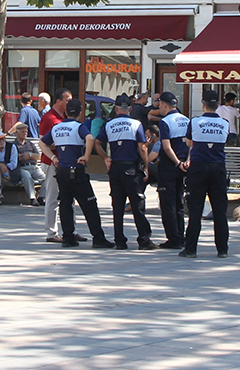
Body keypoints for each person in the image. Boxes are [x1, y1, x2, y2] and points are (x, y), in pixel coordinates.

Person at [43, 99, 112, 248]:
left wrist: (53, 157)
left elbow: (42, 142)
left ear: (66, 112)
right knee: (90, 204)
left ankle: (68, 238)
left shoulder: (57, 128)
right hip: (77, 171)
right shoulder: (78, 127)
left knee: (65, 205)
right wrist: (86, 156)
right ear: (80, 113)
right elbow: (90, 137)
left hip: (61, 171)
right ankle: (98, 238)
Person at [95, 94, 154, 250]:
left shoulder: (109, 125)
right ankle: (143, 239)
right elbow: (142, 147)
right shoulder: (136, 124)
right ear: (131, 108)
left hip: (115, 169)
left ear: (116, 108)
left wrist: (106, 157)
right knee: (137, 204)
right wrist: (146, 166)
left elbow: (97, 143)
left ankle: (120, 241)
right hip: (131, 169)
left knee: (118, 206)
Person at [179, 90, 230, 257]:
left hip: (199, 167)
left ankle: (191, 248)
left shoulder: (195, 122)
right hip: (218, 167)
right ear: (217, 105)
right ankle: (222, 249)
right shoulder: (224, 123)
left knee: (195, 209)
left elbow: (188, 142)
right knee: (220, 210)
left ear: (203, 104)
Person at [38, 90, 76, 242]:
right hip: (52, 162)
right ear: (58, 101)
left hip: (65, 163)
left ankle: (70, 230)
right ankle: (51, 233)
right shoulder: (49, 118)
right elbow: (43, 142)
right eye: (67, 100)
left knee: (69, 198)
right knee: (52, 197)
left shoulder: (64, 118)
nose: (69, 103)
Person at [154, 91, 190, 249]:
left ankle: (173, 238)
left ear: (165, 105)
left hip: (169, 166)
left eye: (160, 104)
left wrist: (176, 163)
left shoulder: (165, 122)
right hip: (184, 165)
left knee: (168, 203)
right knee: (179, 201)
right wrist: (186, 162)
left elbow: (167, 147)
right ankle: (181, 235)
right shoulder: (187, 120)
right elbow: (191, 144)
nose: (159, 108)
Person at [11, 123, 46, 203]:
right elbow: (11, 158)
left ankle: (41, 197)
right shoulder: (13, 145)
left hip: (34, 167)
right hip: (22, 167)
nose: (25, 133)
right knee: (27, 177)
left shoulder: (30, 144)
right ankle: (32, 198)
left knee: (46, 178)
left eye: (26, 132)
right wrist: (19, 157)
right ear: (17, 132)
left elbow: (39, 156)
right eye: (22, 132)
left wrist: (29, 155)